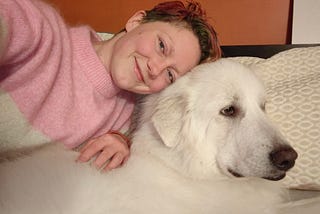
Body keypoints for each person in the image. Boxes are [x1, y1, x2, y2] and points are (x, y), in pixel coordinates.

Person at [0, 0, 221, 170]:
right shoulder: (43, 33)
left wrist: (123, 144)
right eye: (161, 45)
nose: (155, 68)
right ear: (136, 22)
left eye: (170, 74)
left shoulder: (131, 116)